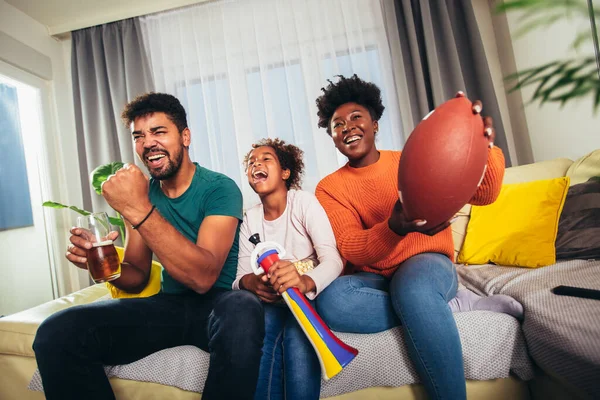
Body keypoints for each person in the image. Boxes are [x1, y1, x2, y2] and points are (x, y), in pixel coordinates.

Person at [32, 93, 264, 400]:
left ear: (185, 136)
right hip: (168, 306)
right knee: (56, 331)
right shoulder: (144, 194)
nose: (148, 143)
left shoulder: (219, 188)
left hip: (217, 304)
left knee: (243, 306)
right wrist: (101, 264)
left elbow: (203, 276)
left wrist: (138, 208)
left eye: (159, 132)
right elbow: (137, 275)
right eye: (139, 136)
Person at [313, 75, 522, 400]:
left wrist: (486, 147)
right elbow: (352, 247)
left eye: (356, 117)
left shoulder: (411, 158)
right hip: (376, 276)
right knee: (331, 300)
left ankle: (429, 307)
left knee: (413, 289)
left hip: (426, 263)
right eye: (337, 124)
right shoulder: (329, 187)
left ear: (375, 123)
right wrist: (393, 227)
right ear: (333, 137)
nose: (347, 127)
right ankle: (445, 307)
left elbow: (485, 194)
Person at [234, 138, 343, 400]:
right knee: (263, 340)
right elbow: (239, 278)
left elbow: (333, 260)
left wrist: (304, 283)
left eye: (266, 159)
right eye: (251, 162)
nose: (256, 163)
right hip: (272, 303)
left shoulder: (303, 202)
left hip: (305, 298)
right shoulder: (250, 218)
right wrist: (253, 283)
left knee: (297, 340)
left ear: (285, 172)